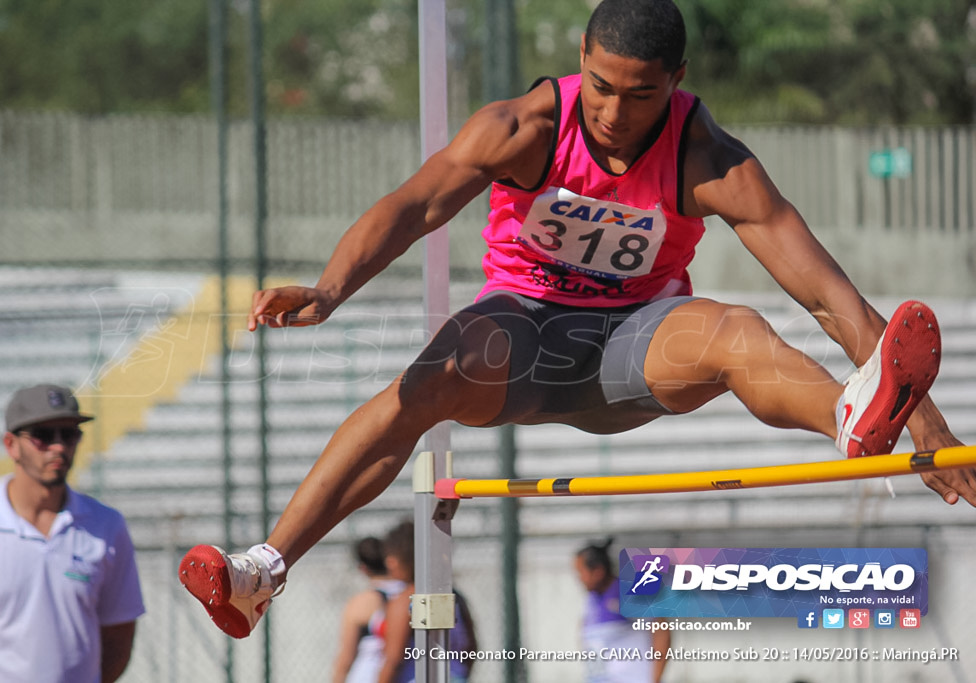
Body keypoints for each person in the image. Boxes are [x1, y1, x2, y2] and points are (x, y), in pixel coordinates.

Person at [178, 0, 971, 639]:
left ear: (679, 80)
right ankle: (262, 571)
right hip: (522, 337)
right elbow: (417, 204)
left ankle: (853, 415)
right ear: (581, 59)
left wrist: (926, 423)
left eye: (641, 95)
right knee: (436, 371)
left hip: (637, 347)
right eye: (601, 86)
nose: (616, 114)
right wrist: (328, 289)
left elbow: (826, 291)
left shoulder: (708, 156)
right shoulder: (524, 126)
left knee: (734, 330)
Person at [0, 384, 145, 683]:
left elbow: (118, 634)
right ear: (11, 445)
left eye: (69, 434)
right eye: (43, 435)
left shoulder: (107, 526)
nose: (58, 446)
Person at [375, 521, 477, 683]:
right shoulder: (454, 597)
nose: (388, 562)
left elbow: (394, 659)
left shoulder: (405, 601)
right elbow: (471, 647)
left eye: (392, 555)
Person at [575, 539, 669, 683]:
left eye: (581, 572)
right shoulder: (591, 599)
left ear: (598, 572)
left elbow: (661, 630)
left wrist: (656, 678)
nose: (579, 579)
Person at [333, 536, 407, 683]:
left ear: (363, 568)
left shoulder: (362, 602)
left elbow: (347, 656)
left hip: (368, 675)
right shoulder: (409, 593)